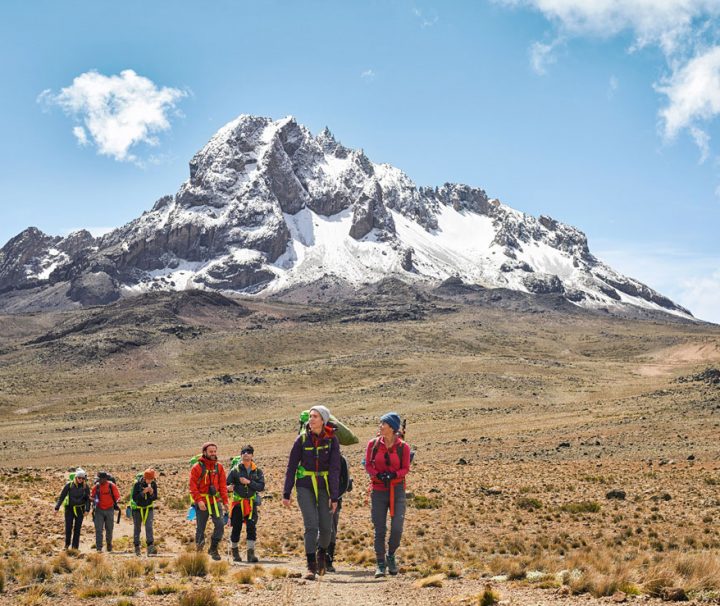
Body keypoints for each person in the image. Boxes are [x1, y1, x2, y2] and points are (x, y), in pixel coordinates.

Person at [283, 405, 341, 580]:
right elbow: (291, 467)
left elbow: (335, 469)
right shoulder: (301, 440)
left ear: (323, 420)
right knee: (311, 526)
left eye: (315, 416)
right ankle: (310, 565)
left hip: (324, 487)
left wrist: (334, 495)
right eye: (310, 416)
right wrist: (286, 492)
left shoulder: (332, 440)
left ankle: (321, 555)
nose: (311, 419)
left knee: (326, 529)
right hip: (304, 486)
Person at [365, 412, 411, 578]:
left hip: (397, 490)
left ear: (392, 427)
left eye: (383, 423)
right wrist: (377, 475)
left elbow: (406, 468)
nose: (380, 426)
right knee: (379, 528)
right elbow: (368, 465)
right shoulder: (373, 444)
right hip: (378, 490)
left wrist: (394, 475)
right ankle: (380, 564)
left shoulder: (403, 447)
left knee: (397, 527)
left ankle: (391, 555)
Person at [189, 442, 229, 560]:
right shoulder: (197, 467)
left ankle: (213, 548)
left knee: (220, 525)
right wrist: (199, 501)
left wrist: (225, 502)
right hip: (202, 501)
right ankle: (199, 552)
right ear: (205, 452)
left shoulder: (219, 467)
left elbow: (222, 485)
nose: (213, 454)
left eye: (215, 451)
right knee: (201, 527)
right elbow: (192, 486)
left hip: (215, 500)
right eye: (211, 451)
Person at [226, 445, 265, 563]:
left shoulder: (257, 471)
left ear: (252, 455)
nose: (246, 454)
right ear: (241, 455)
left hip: (251, 503)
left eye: (249, 452)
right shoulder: (235, 471)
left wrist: (249, 482)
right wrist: (229, 488)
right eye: (244, 452)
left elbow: (261, 486)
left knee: (251, 527)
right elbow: (225, 486)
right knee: (236, 527)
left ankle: (250, 554)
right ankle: (235, 552)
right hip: (238, 503)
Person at [325, 453, 352, 572]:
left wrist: (334, 497)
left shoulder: (341, 459)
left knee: (331, 529)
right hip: (318, 499)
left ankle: (328, 560)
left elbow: (345, 482)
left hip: (335, 500)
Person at [54, 468, 90, 550]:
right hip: (69, 510)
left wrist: (87, 510)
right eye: (79, 478)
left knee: (77, 529)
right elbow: (62, 497)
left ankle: (75, 547)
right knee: (68, 527)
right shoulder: (69, 485)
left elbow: (88, 499)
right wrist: (57, 508)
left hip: (80, 510)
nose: (81, 480)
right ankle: (67, 545)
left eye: (83, 478)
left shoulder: (86, 487)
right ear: (76, 477)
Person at [91, 471, 121, 553]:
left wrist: (116, 502)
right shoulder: (96, 487)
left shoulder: (111, 486)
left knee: (109, 529)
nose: (98, 481)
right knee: (98, 529)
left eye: (99, 479)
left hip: (109, 509)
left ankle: (109, 545)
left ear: (104, 479)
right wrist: (93, 500)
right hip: (99, 510)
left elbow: (118, 497)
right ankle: (99, 548)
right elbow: (91, 496)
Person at [131, 468, 158, 556]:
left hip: (148, 508)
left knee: (149, 527)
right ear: (144, 477)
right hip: (137, 509)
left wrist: (152, 493)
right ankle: (137, 547)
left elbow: (154, 498)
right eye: (148, 479)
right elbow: (135, 498)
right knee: (137, 528)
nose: (150, 481)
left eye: (151, 479)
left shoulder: (153, 484)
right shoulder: (137, 485)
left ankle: (150, 547)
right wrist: (143, 492)